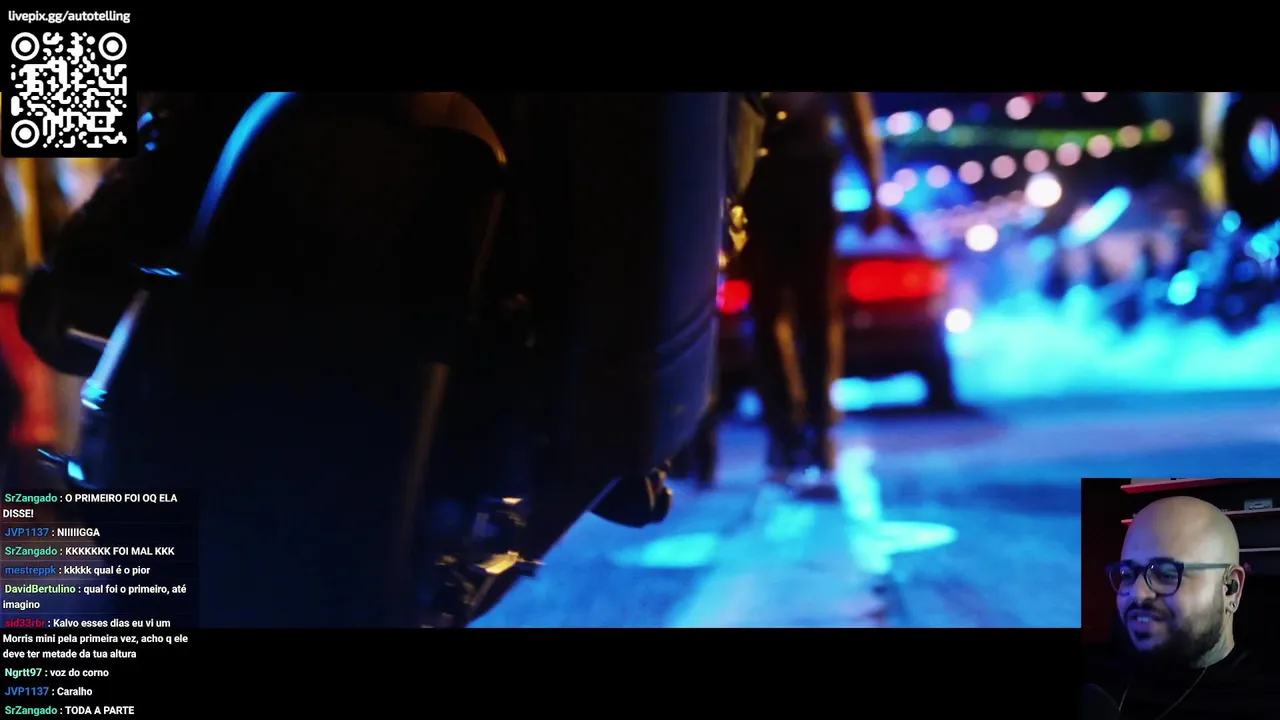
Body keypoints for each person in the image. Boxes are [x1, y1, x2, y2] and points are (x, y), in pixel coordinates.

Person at [740, 92, 909, 477]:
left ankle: (800, 431)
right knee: (795, 313)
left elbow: (855, 116)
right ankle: (802, 430)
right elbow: (856, 117)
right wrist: (874, 189)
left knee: (786, 312)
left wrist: (875, 190)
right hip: (788, 177)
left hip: (784, 177)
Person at [1082, 496, 1279, 718]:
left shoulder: (1267, 700)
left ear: (1230, 589)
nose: (1137, 594)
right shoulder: (1094, 678)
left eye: (1166, 574)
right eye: (1127, 574)